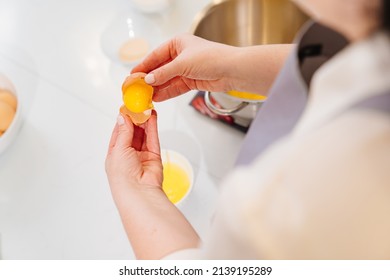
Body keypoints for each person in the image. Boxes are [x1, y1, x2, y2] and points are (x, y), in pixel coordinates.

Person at [105, 0, 390, 259]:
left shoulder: (297, 195)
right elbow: (343, 65)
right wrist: (231, 67)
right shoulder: (370, 39)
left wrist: (136, 192)